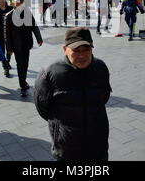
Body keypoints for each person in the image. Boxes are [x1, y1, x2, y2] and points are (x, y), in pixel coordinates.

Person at [34, 27, 112, 161]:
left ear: (92, 48)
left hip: (97, 146)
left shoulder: (100, 68)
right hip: (67, 150)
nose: (82, 55)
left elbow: (104, 97)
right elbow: (43, 108)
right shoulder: (50, 74)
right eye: (76, 51)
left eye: (86, 49)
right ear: (65, 49)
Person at [4, 0, 43, 97]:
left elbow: (34, 26)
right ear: (14, 3)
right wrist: (9, 48)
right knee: (20, 65)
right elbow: (6, 34)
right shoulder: (9, 16)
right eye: (18, 1)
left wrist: (39, 38)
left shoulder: (28, 13)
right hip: (16, 46)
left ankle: (24, 82)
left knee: (25, 64)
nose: (20, 3)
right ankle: (22, 86)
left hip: (27, 44)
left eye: (22, 1)